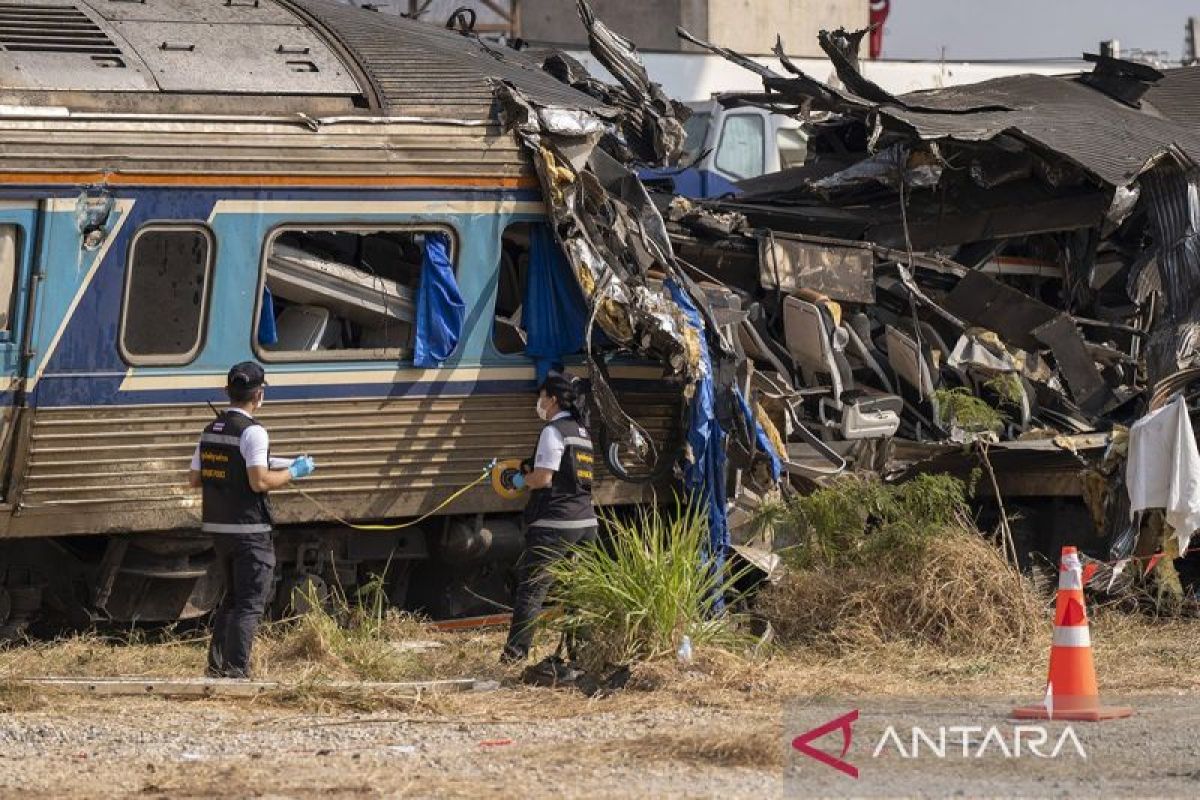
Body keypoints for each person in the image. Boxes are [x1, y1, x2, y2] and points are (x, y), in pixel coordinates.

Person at [188, 361, 316, 679]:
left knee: (232, 600)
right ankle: (236, 672)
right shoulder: (254, 432)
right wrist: (294, 472)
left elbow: (195, 478)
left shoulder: (210, 430)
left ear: (226, 391)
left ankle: (216, 668)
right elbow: (259, 481)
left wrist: (267, 463)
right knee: (249, 604)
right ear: (259, 395)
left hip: (220, 528)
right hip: (250, 530)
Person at [502, 371, 597, 663]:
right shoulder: (582, 432)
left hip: (556, 523)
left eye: (541, 397)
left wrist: (519, 481)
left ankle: (515, 656)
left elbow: (544, 478)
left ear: (553, 400)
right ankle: (583, 655)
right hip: (586, 523)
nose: (539, 403)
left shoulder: (553, 431)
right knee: (579, 592)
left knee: (533, 589)